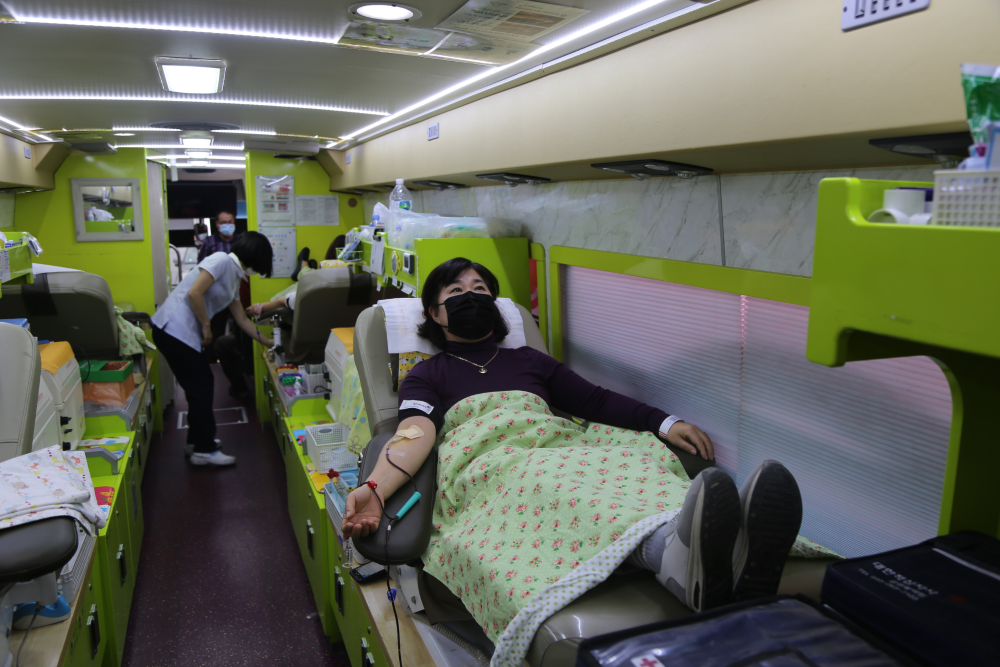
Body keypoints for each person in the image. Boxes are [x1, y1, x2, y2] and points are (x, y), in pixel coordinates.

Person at [342, 258, 803, 645]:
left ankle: (725, 543)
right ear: (436, 314)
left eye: (480, 289)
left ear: (495, 305)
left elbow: (596, 402)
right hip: (494, 462)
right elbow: (415, 432)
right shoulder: (427, 375)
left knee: (626, 463)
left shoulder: (529, 361)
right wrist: (376, 489)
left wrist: (666, 422)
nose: (471, 296)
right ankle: (673, 553)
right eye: (456, 291)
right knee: (551, 483)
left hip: (559, 446)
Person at [151, 232, 274, 466]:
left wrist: (267, 342)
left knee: (199, 386)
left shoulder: (235, 277)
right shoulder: (221, 260)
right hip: (172, 329)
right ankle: (203, 449)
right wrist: (206, 326)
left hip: (181, 333)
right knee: (202, 385)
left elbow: (241, 319)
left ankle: (196, 441)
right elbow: (194, 293)